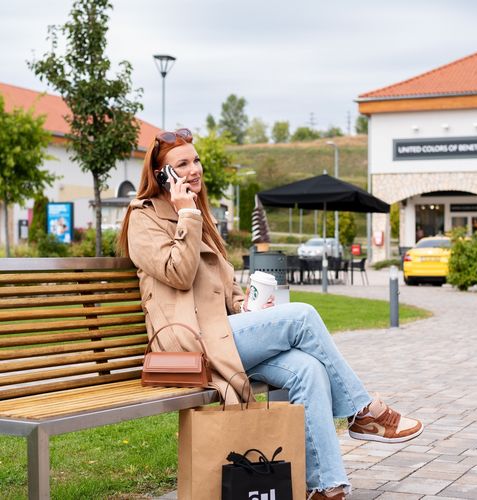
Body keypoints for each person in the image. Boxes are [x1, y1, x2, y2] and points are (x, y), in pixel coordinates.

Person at [117, 129, 423, 500]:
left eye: (195, 160)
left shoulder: (198, 215)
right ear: (163, 174)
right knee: (303, 316)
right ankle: (364, 412)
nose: (194, 169)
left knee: (308, 370)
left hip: (222, 331)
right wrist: (186, 215)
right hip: (188, 342)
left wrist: (244, 305)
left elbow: (219, 283)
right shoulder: (144, 218)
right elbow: (178, 274)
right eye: (182, 164)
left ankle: (328, 487)